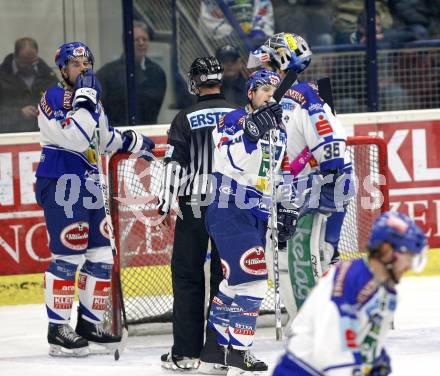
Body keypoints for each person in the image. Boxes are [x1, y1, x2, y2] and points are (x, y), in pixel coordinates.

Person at [35, 41, 154, 357]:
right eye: (76, 64)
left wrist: (135, 140)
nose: (83, 68)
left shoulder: (92, 103)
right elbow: (74, 137)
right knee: (68, 256)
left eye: (87, 63)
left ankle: (88, 324)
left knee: (101, 254)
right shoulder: (54, 96)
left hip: (88, 183)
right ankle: (58, 328)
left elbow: (101, 140)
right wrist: (86, 101)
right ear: (63, 69)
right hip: (60, 179)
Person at [248, 32, 355, 327]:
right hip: (291, 193)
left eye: (266, 61)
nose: (258, 68)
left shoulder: (304, 96)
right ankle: (315, 327)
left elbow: (333, 155)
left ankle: (325, 328)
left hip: (314, 192)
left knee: (314, 257)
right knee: (291, 262)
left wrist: (312, 200)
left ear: (281, 62)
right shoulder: (276, 100)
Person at [199, 69, 295, 374]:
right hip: (229, 206)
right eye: (262, 88)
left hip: (257, 211)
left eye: (273, 89)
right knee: (254, 280)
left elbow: (277, 172)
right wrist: (252, 131)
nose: (269, 93)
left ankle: (216, 351)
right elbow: (234, 161)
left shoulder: (279, 130)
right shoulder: (231, 120)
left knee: (234, 282)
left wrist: (287, 208)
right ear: (250, 93)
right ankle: (241, 352)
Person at [272, 211, 428, 375]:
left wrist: (377, 363)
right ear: (386, 250)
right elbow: (330, 350)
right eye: (408, 256)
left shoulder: (387, 292)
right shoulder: (348, 280)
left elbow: (368, 342)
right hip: (302, 370)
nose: (410, 265)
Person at [158, 56, 235, 371]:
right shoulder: (237, 114)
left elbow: (173, 164)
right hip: (232, 205)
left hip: (194, 204)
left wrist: (165, 204)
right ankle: (217, 355)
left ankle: (186, 353)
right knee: (225, 279)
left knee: (188, 277)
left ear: (194, 82)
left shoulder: (185, 117)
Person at [97, 21, 166, 126]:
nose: (141, 43)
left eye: (144, 39)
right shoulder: (107, 73)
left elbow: (152, 108)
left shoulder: (157, 72)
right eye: (136, 40)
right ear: (125, 43)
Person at [0, 37, 57, 133]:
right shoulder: (2, 76)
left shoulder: (47, 75)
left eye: (33, 63)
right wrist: (19, 113)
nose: (29, 67)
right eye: (24, 63)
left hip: (41, 133)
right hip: (10, 135)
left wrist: (43, 108)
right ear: (15, 56)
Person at [199, 0, 274, 48]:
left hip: (256, 44)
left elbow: (265, 15)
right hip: (225, 44)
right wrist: (233, 33)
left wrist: (257, 30)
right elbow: (209, 21)